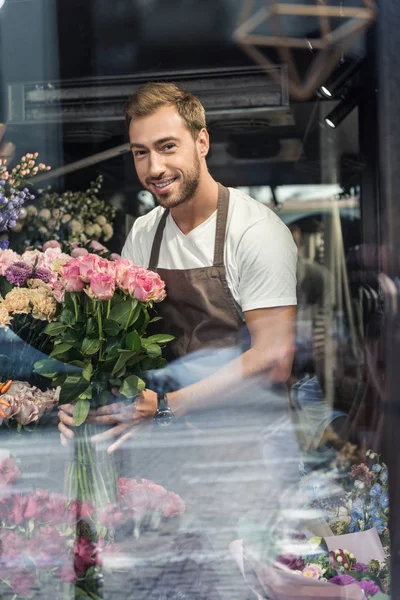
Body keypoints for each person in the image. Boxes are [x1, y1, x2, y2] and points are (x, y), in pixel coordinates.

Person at [58, 82, 298, 451]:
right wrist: (84, 402)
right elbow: (120, 346)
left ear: (202, 142)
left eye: (167, 147)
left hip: (249, 450)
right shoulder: (144, 232)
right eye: (141, 153)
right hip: (170, 450)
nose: (155, 168)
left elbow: (272, 359)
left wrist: (168, 406)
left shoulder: (255, 231)